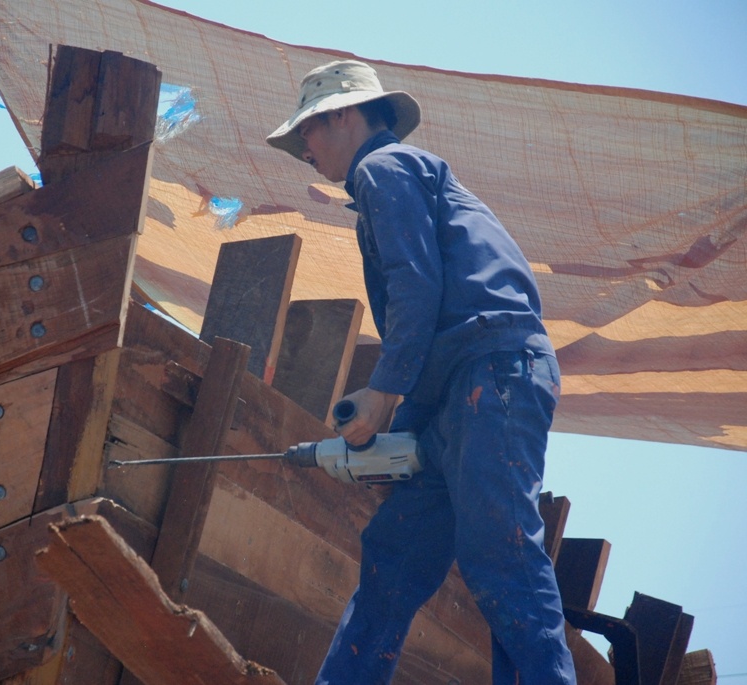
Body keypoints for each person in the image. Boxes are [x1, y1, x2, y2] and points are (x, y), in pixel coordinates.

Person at [266, 60, 577, 684]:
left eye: (309, 129)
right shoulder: (389, 182)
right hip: (456, 392)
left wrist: (382, 399)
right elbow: (428, 314)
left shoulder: (384, 169)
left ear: (346, 114)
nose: (304, 145)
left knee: (499, 552)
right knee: (394, 556)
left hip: (494, 370)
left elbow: (417, 286)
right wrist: (401, 426)